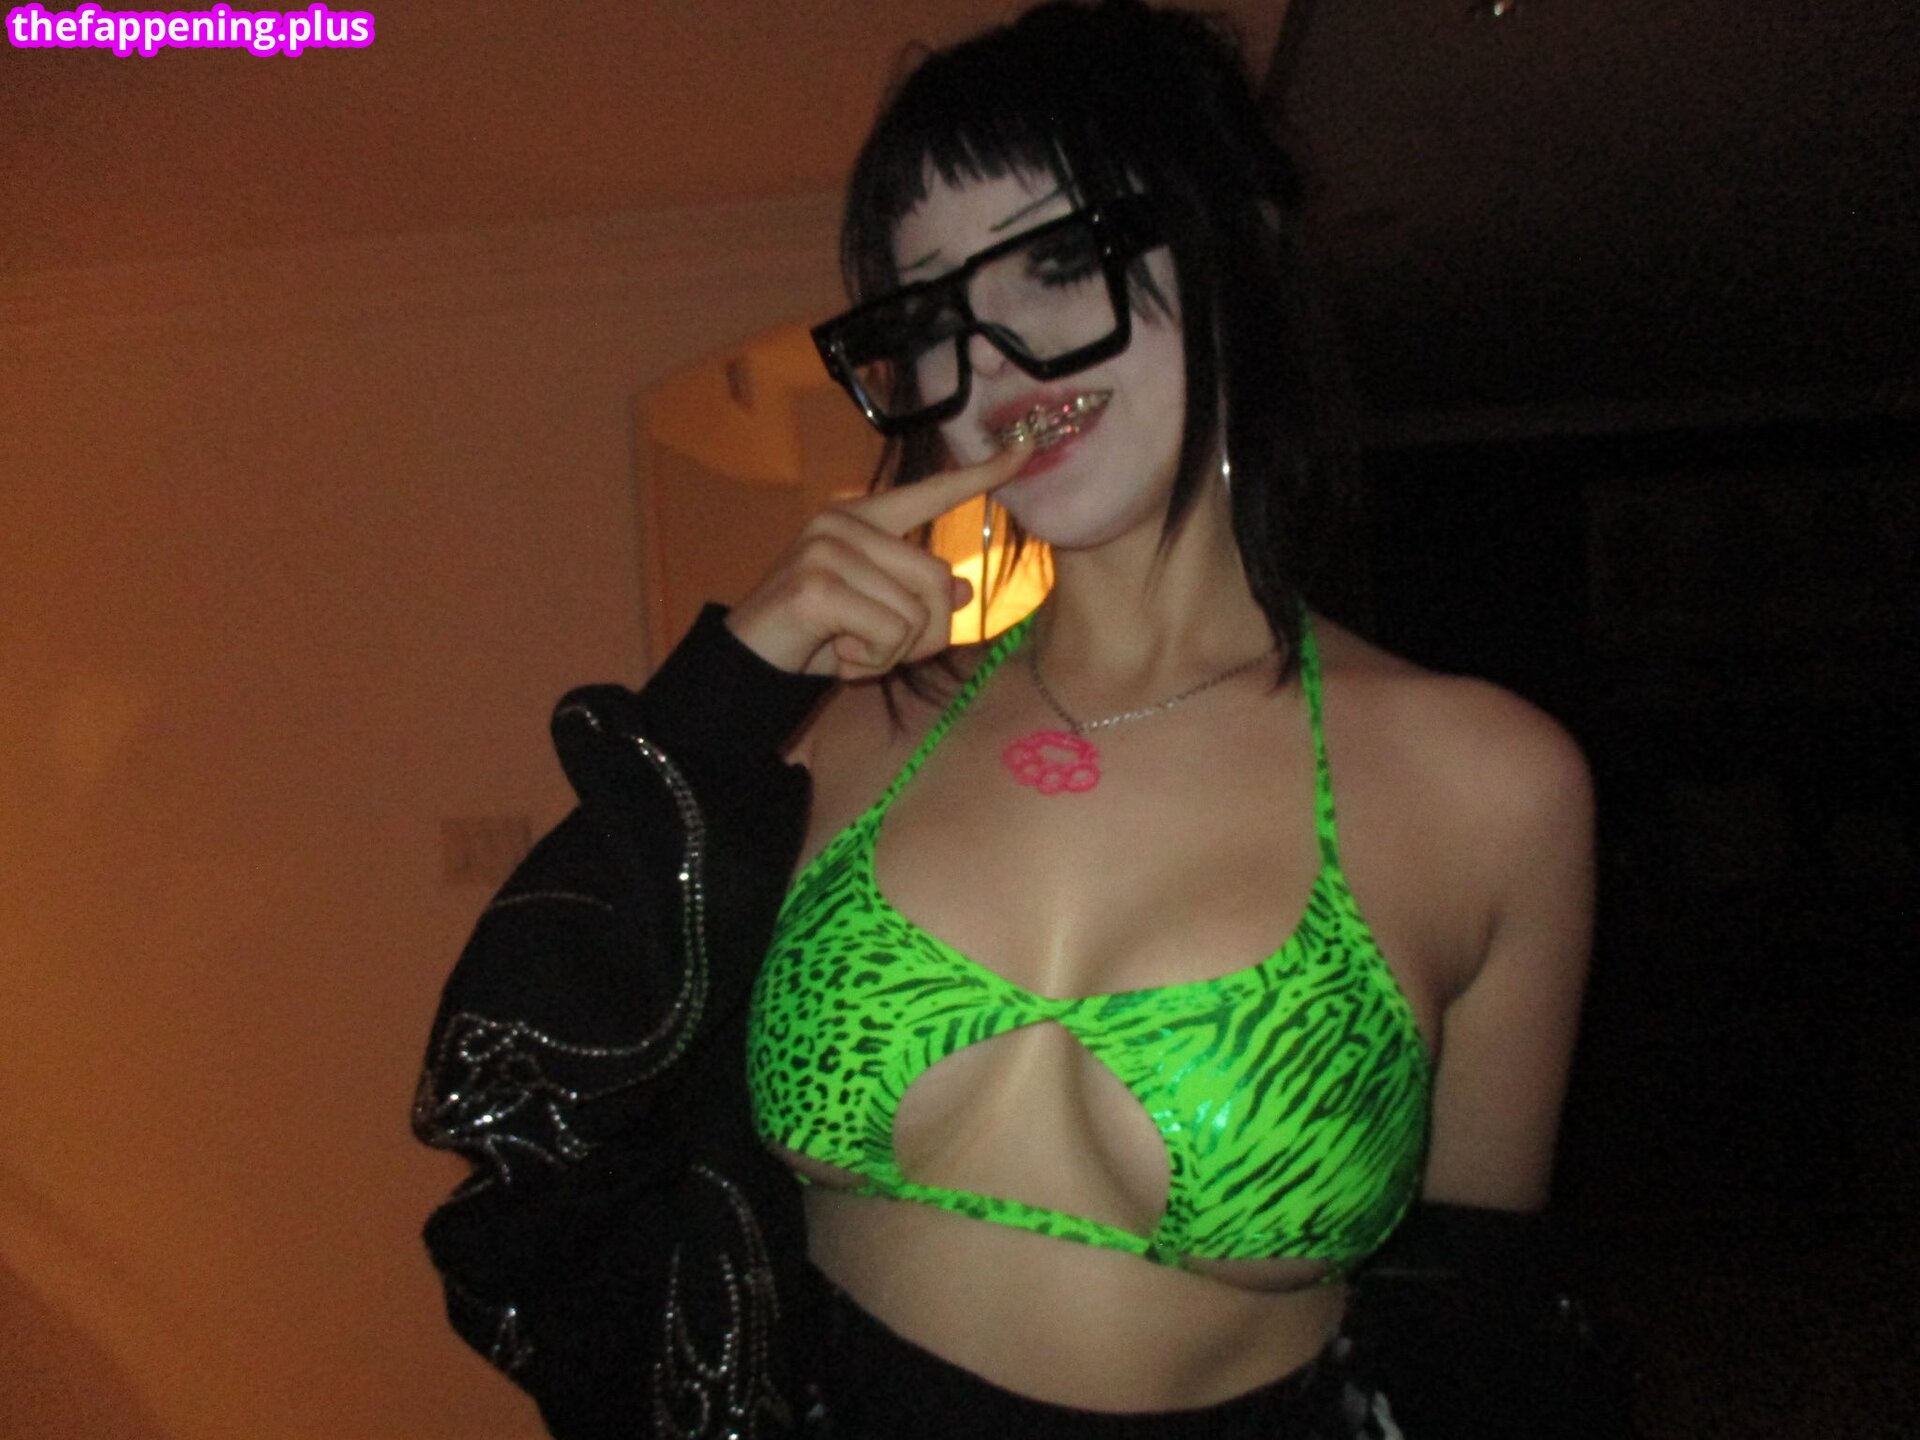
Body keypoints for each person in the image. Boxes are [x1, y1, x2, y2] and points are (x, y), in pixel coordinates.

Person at [412, 3, 1609, 1437]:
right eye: (929, 312)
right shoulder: (847, 733)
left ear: (1235, 252)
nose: (989, 359)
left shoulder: (1492, 783)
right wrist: (733, 684)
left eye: (1061, 259)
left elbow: (1476, 1327)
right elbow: (518, 1086)